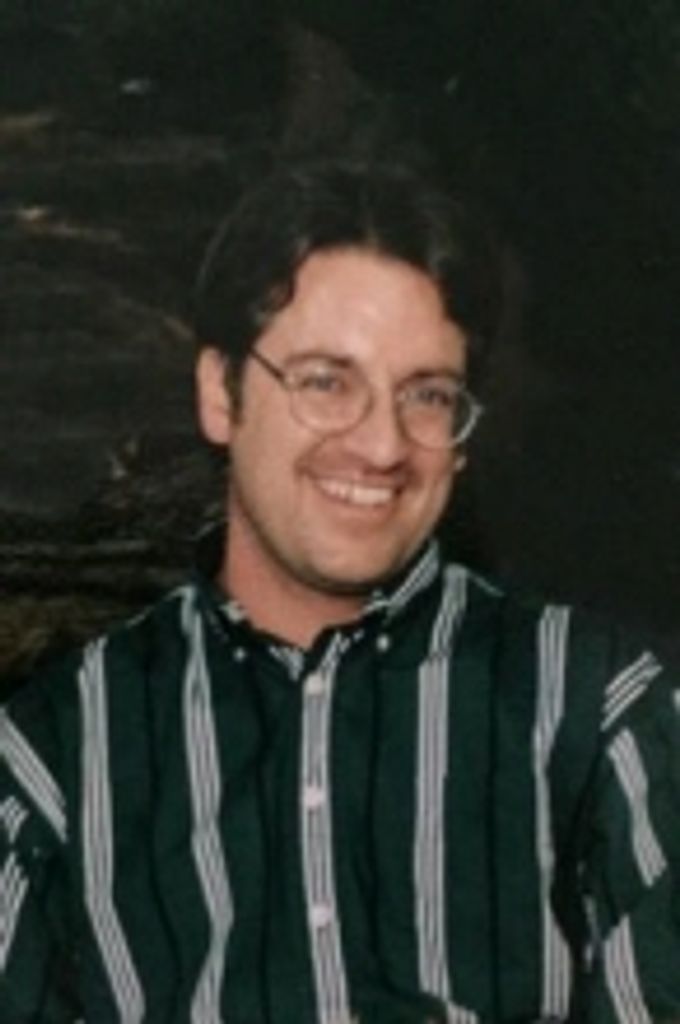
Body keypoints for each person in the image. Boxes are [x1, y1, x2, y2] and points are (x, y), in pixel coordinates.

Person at [1, 152, 680, 1024]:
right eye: (326, 382)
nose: (382, 446)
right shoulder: (56, 758)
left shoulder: (602, 710)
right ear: (220, 394)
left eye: (428, 396)